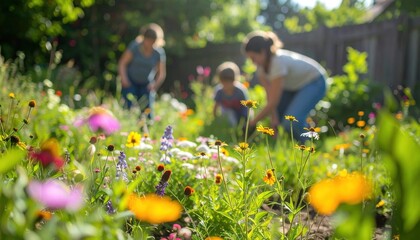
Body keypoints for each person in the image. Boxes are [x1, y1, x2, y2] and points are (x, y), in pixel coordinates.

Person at [242, 30, 327, 142]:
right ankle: (296, 142)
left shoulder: (277, 62)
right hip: (294, 87)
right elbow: (270, 97)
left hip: (314, 82)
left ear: (262, 52)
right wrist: (274, 119)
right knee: (282, 118)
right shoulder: (261, 69)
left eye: (253, 58)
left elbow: (273, 102)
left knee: (291, 121)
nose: (253, 62)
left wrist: (252, 123)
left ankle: (308, 146)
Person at [118, 23, 166, 119]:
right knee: (128, 110)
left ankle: (146, 132)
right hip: (130, 82)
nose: (149, 44)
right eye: (148, 40)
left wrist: (154, 85)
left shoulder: (158, 53)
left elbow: (161, 73)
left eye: (152, 41)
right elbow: (122, 63)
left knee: (147, 113)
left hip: (146, 85)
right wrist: (124, 79)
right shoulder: (134, 47)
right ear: (143, 38)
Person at [213, 61, 249, 127]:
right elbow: (216, 107)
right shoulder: (220, 92)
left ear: (234, 80)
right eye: (224, 82)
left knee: (247, 118)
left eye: (228, 82)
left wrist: (245, 117)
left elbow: (246, 106)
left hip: (241, 112)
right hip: (227, 113)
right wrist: (216, 119)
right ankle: (232, 129)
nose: (226, 85)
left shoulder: (240, 91)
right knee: (230, 114)